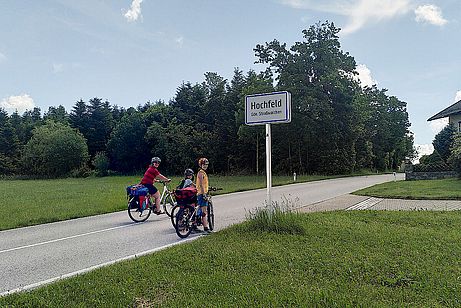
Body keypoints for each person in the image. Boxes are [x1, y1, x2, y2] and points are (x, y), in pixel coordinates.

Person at [196, 157, 211, 233]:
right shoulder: (201, 173)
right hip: (202, 193)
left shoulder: (203, 173)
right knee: (204, 211)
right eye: (204, 165)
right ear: (200, 165)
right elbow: (201, 184)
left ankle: (197, 221)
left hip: (202, 192)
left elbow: (204, 184)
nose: (205, 166)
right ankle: (206, 228)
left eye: (206, 165)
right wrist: (204, 194)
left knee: (201, 209)